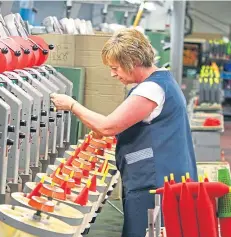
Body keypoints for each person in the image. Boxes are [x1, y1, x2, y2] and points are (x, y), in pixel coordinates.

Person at [50, 28, 198, 237]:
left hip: (155, 184)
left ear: (133, 61)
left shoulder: (151, 90)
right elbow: (130, 127)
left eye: (115, 67)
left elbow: (108, 126)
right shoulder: (162, 81)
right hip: (160, 177)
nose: (113, 74)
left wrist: (72, 105)